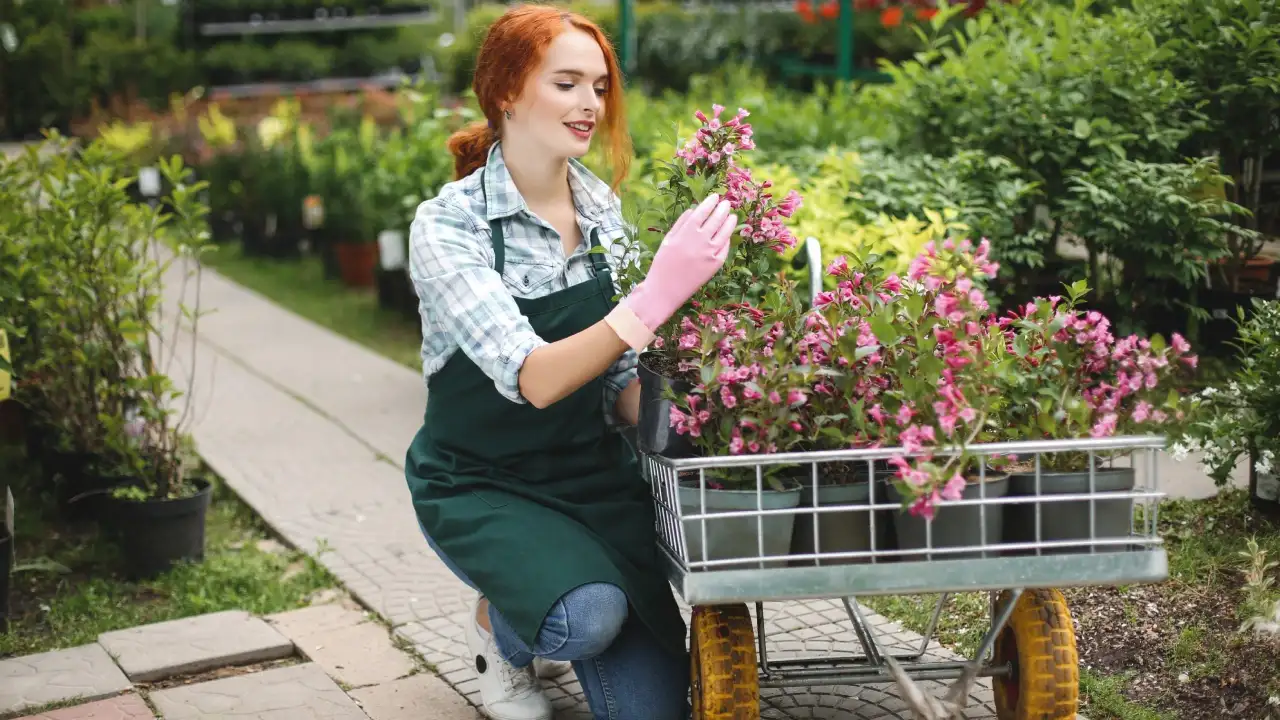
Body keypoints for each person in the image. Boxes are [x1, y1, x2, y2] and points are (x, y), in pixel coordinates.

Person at [404, 5, 738, 720]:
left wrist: (701, 413)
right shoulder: (450, 225)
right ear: (505, 92)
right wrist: (652, 299)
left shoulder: (602, 214)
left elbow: (614, 378)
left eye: (599, 85)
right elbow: (537, 376)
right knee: (587, 617)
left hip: (590, 478)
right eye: (566, 84)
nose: (590, 104)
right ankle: (502, 629)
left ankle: (557, 593)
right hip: (480, 482)